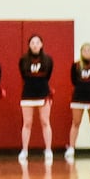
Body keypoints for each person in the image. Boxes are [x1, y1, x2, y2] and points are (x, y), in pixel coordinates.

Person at [17, 34, 54, 165]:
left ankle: (48, 150)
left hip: (43, 94)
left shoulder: (48, 60)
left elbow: (48, 76)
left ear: (42, 45)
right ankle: (24, 150)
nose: (35, 45)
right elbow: (23, 75)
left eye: (37, 42)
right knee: (27, 123)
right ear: (29, 45)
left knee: (45, 121)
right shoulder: (23, 60)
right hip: (28, 94)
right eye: (32, 42)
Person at [66, 42, 90, 161]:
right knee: (76, 123)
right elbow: (73, 80)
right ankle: (71, 149)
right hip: (78, 97)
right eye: (84, 50)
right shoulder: (76, 65)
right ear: (81, 52)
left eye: (89, 50)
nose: (87, 52)